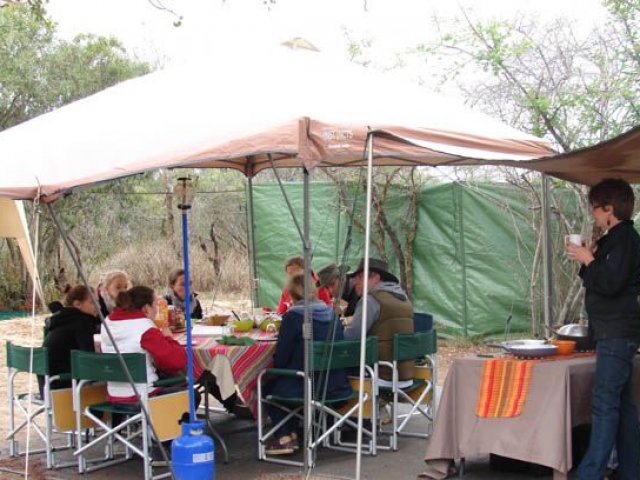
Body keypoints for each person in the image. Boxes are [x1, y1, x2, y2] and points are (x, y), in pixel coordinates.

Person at [566, 178, 640, 480]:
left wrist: (590, 260)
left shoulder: (625, 239)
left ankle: (589, 473)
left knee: (604, 404)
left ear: (610, 209)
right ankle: (631, 471)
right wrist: (587, 259)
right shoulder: (616, 238)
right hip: (612, 332)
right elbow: (603, 278)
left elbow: (610, 284)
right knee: (621, 407)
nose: (593, 215)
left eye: (596, 209)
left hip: (617, 332)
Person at [265, 274, 352, 455]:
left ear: (291, 295)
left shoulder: (293, 318)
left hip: (307, 386)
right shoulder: (333, 315)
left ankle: (284, 437)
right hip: (336, 385)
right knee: (286, 381)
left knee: (268, 385)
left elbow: (281, 358)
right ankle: (292, 434)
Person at [101, 286, 191, 403]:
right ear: (146, 308)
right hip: (145, 395)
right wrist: (168, 337)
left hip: (114, 393)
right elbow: (175, 362)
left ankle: (138, 421)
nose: (156, 309)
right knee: (192, 393)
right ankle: (160, 420)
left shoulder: (107, 322)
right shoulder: (145, 327)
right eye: (155, 305)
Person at [343, 257, 414, 388]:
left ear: (376, 277)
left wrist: (341, 330)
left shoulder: (370, 300)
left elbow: (350, 337)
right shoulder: (404, 299)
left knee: (330, 373)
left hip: (381, 374)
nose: (354, 283)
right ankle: (377, 407)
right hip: (407, 374)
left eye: (360, 277)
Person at [38, 284, 98, 395]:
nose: (97, 307)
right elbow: (88, 358)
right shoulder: (83, 321)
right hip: (63, 386)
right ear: (77, 304)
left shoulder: (62, 319)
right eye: (92, 303)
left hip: (46, 386)